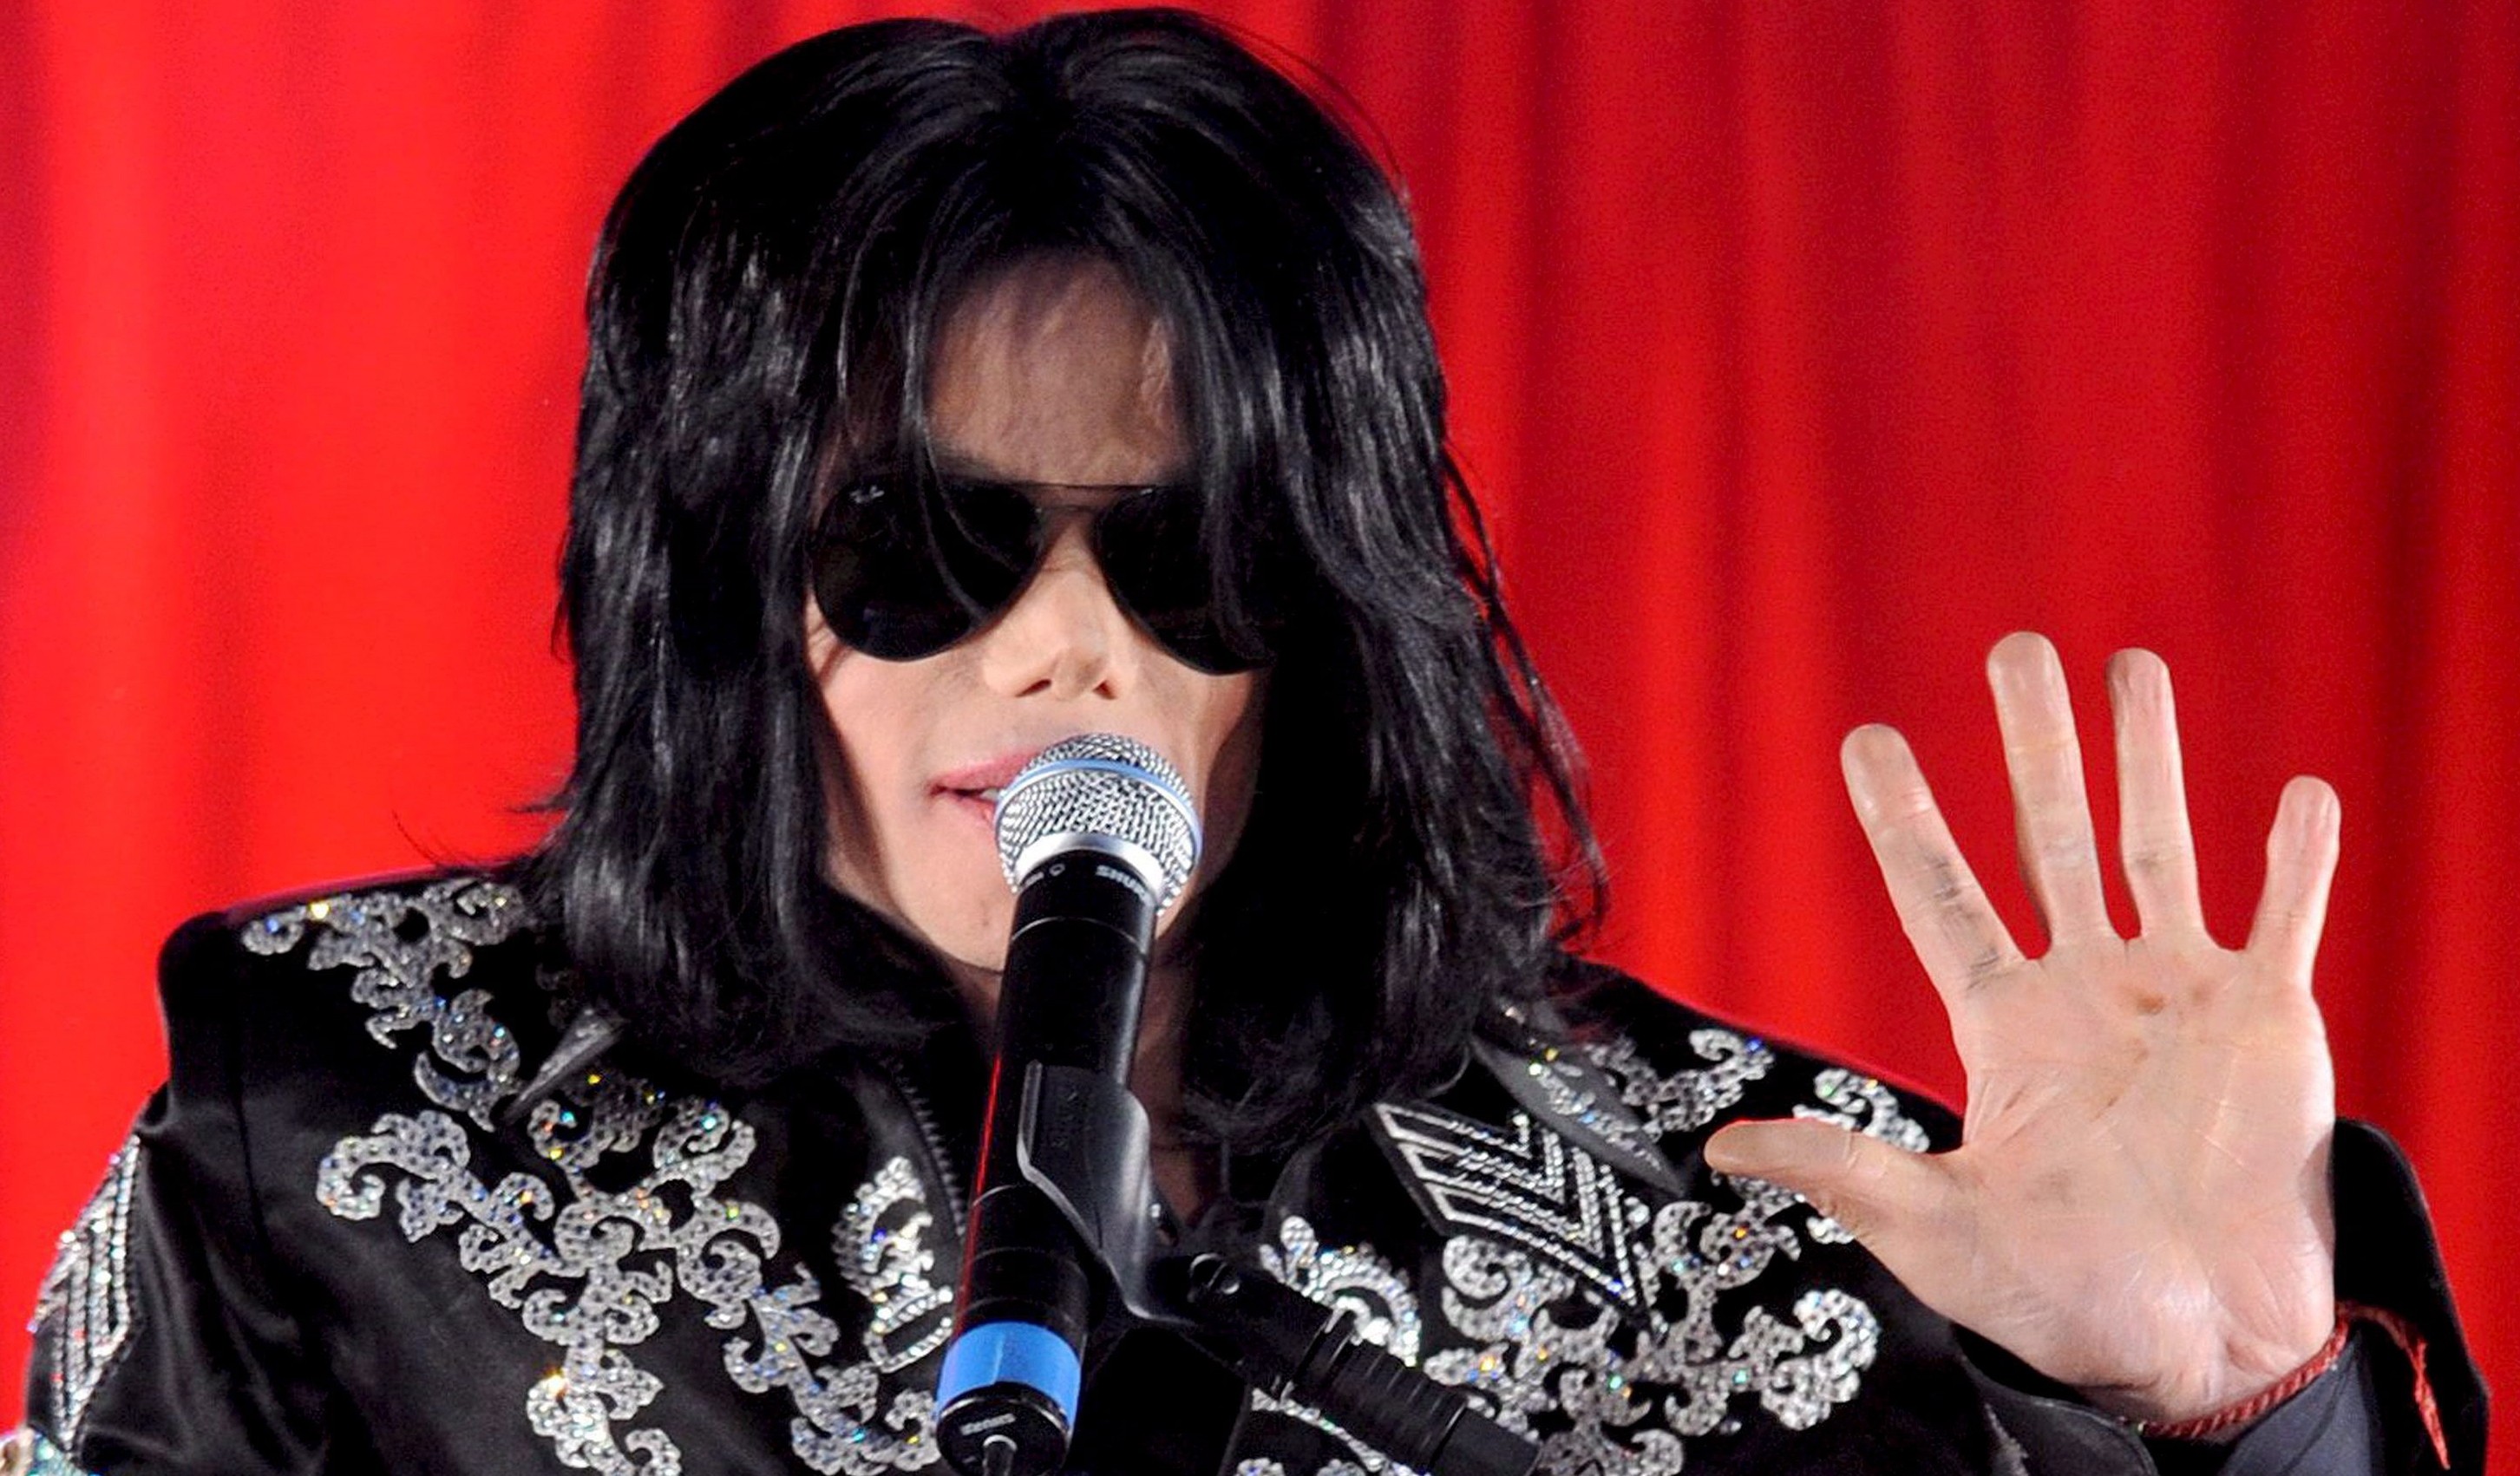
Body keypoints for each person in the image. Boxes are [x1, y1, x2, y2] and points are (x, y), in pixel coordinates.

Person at [7, 10, 2482, 1476]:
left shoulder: (1747, 1226)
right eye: (926, 547)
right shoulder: (330, 1118)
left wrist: (2238, 1409)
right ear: (717, 582)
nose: (1067, 655)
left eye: (1187, 557)